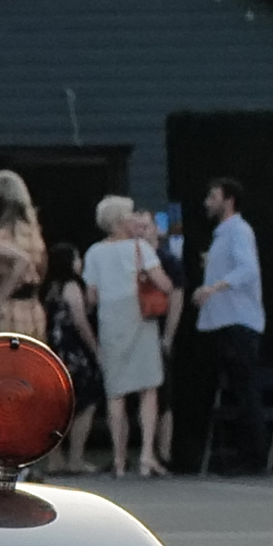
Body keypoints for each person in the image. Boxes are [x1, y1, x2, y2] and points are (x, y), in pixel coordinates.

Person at [183, 176, 273, 476]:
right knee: (235, 390)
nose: (207, 202)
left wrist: (214, 287)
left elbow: (248, 269)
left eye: (213, 196)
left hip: (238, 322)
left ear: (228, 200)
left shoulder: (238, 230)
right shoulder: (224, 234)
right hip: (223, 322)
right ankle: (239, 454)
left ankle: (253, 456)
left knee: (244, 389)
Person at [79, 190, 176, 478]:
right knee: (148, 387)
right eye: (131, 214)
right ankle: (146, 455)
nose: (135, 218)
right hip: (140, 320)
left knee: (116, 392)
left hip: (110, 323)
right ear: (121, 220)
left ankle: (119, 460)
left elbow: (91, 297)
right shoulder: (140, 249)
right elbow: (166, 285)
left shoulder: (94, 252)